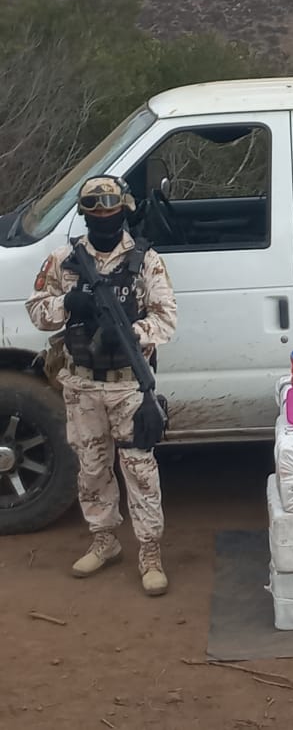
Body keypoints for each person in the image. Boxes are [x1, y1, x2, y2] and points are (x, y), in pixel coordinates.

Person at [26, 176, 178, 595]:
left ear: (124, 210)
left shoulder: (146, 261)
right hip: (81, 384)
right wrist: (65, 305)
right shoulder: (63, 260)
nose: (103, 217)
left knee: (139, 471)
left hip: (128, 385)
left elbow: (166, 319)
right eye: (95, 211)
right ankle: (105, 541)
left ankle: (149, 552)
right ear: (85, 214)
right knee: (92, 470)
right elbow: (37, 312)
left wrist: (130, 334)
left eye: (110, 210)